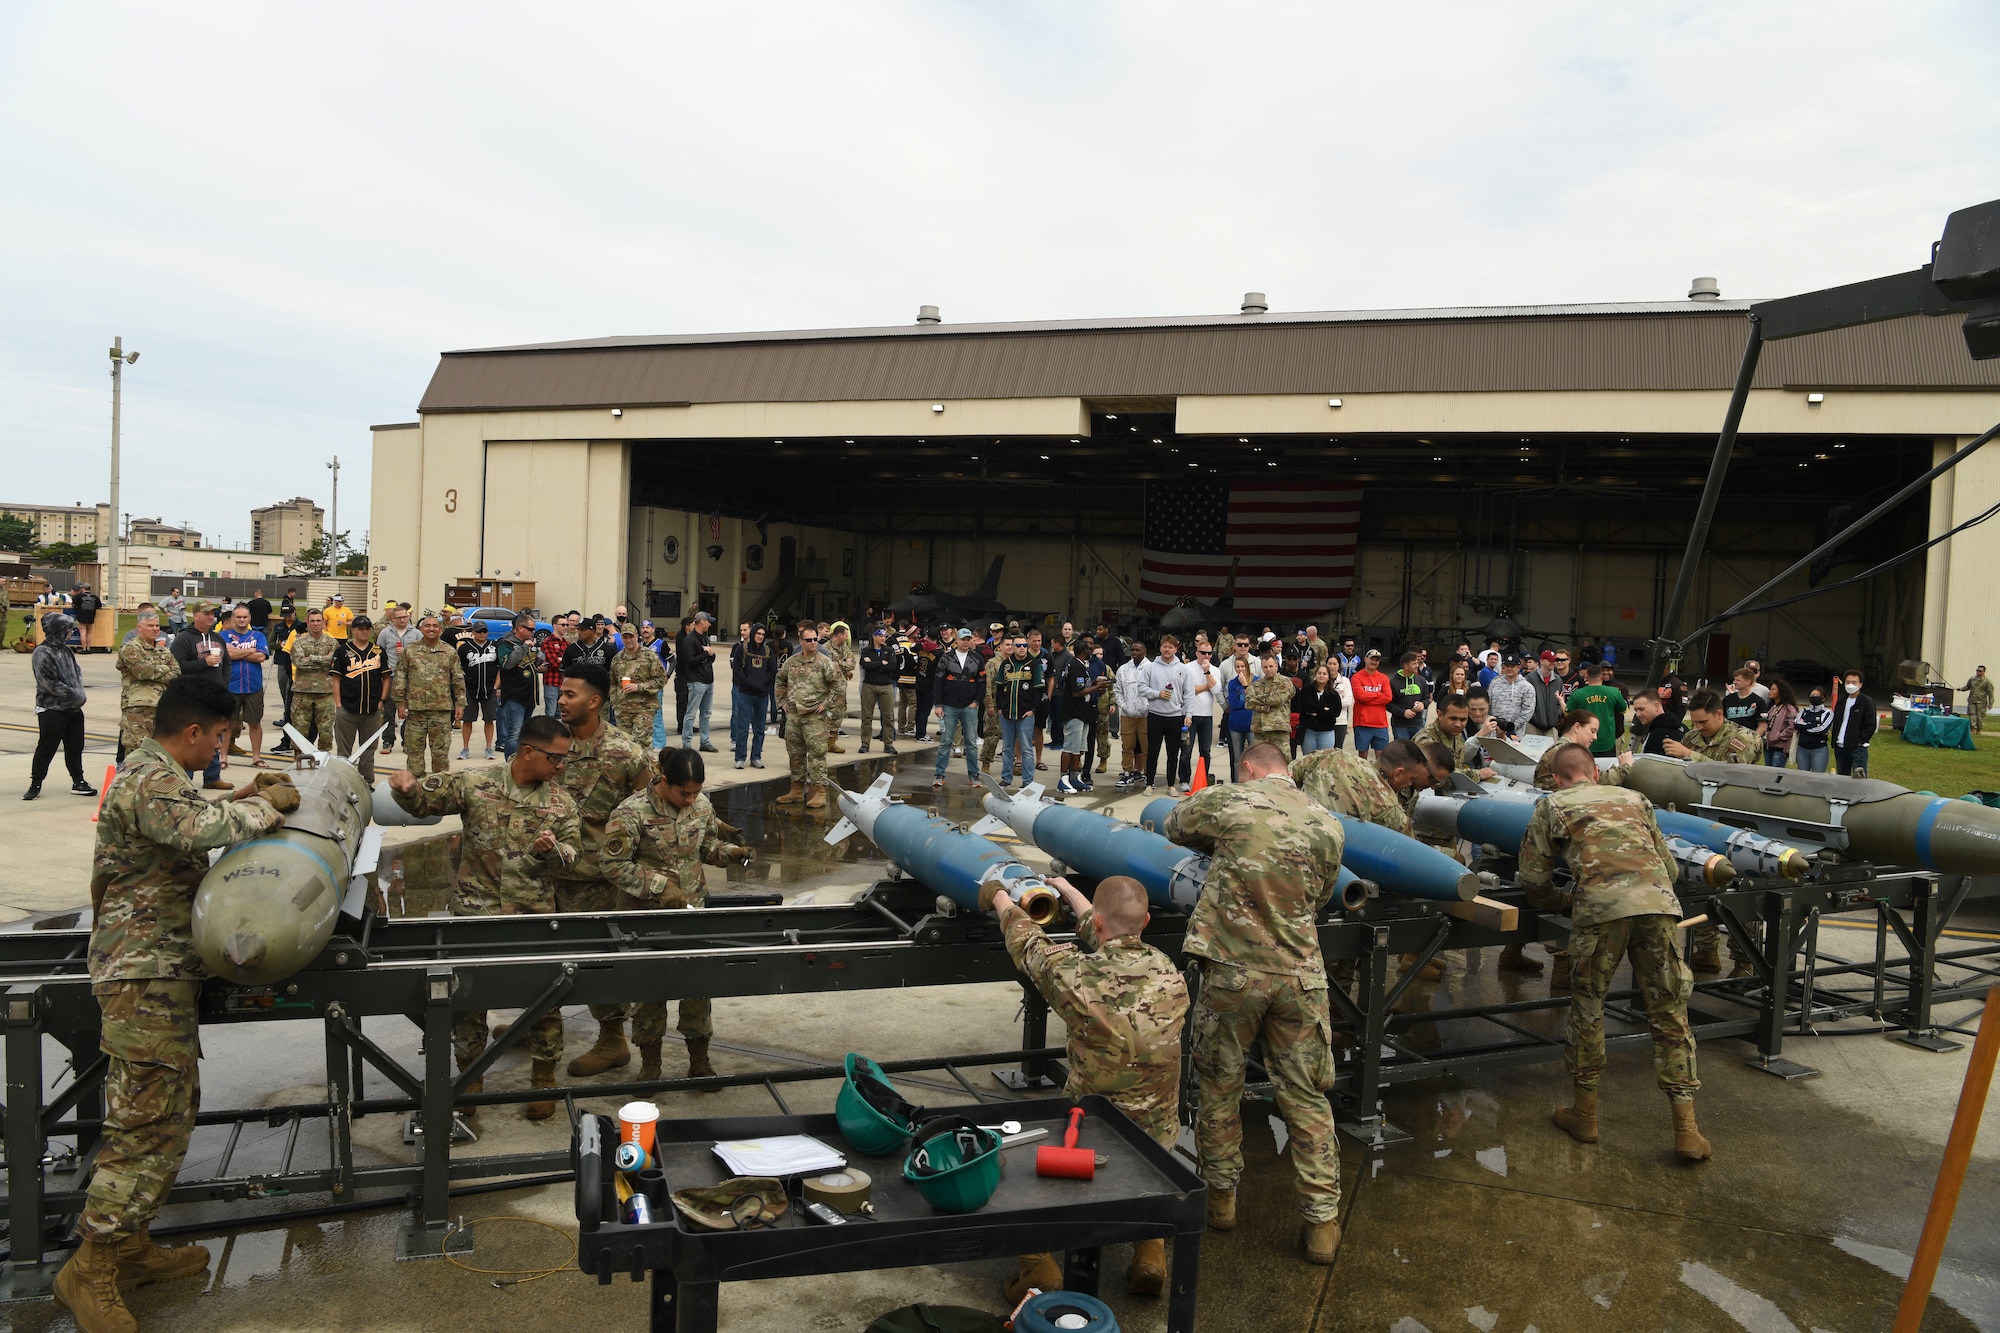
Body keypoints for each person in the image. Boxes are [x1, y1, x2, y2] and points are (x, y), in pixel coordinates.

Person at [54, 677, 297, 1327]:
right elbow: (195, 827)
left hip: (162, 972)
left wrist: (244, 794)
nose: (220, 749)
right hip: (142, 974)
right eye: (220, 738)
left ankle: (129, 1245)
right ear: (194, 732)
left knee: (170, 1110)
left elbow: (192, 818)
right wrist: (263, 809)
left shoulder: (159, 774)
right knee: (142, 1125)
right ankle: (91, 1269)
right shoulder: (146, 777)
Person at [1162, 743, 1347, 1265]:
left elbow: (1175, 825)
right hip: (1299, 978)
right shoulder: (1328, 823)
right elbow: (1322, 896)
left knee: (1220, 1085)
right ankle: (1322, 1225)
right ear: (1287, 769)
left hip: (1232, 972)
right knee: (1307, 1097)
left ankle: (1221, 1200)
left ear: (1248, 767)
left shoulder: (1231, 800)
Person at [987, 874, 1188, 1302]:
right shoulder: (1169, 970)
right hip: (1157, 1139)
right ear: (1147, 921)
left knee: (1006, 1159)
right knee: (1147, 1171)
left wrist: (999, 896)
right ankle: (1150, 1249)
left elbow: (1028, 943)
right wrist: (1064, 886)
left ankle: (1038, 1265)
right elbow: (1107, 932)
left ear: (1097, 923)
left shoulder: (1074, 975)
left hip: (1087, 1138)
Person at [1518, 743, 1710, 1162]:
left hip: (1601, 914)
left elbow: (1533, 877)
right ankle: (1687, 1131)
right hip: (1657, 908)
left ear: (1557, 777)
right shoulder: (1635, 799)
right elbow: (1671, 868)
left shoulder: (1553, 805)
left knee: (1589, 1010)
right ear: (1594, 771)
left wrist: (1561, 901)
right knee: (1670, 1013)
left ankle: (1585, 1116)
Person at [389, 715, 579, 1120]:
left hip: (533, 918)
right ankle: (469, 1080)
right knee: (467, 1003)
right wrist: (407, 791)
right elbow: (428, 802)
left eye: (566, 758)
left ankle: (543, 1080)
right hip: (475, 916)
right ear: (528, 751)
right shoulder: (476, 784)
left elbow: (573, 858)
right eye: (556, 758)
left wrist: (553, 852)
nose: (561, 766)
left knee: (546, 1001)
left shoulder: (561, 804)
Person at [602, 748, 756, 1084]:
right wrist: (659, 888)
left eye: (695, 791)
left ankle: (699, 1061)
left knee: (698, 990)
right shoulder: (631, 812)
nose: (690, 799)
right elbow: (613, 865)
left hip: (691, 915)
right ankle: (651, 1066)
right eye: (682, 792)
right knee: (649, 994)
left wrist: (732, 854)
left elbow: (707, 848)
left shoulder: (701, 806)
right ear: (664, 780)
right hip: (646, 920)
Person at [548, 664, 657, 1077]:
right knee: (539, 956)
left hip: (595, 880)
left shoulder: (624, 752)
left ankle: (613, 1039)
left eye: (570, 694)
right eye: (560, 692)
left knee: (597, 960)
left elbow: (650, 813)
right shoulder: (549, 742)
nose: (561, 699)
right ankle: (542, 1024)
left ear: (594, 701)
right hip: (544, 874)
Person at [775, 623, 848, 808]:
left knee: (817, 756)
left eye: (815, 639)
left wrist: (826, 704)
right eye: (809, 640)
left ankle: (819, 792)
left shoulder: (824, 662)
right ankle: (797, 790)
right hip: (794, 717)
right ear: (801, 641)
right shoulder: (792, 662)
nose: (814, 642)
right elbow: (779, 680)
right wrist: (782, 702)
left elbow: (838, 685)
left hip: (814, 718)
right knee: (795, 754)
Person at [26, 613, 95, 800]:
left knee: (75, 746)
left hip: (73, 708)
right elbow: (49, 682)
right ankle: (36, 783)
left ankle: (78, 781)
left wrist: (79, 693)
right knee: (46, 747)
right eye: (68, 629)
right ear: (58, 631)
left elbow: (77, 673)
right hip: (52, 709)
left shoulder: (66, 651)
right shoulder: (42, 652)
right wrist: (74, 694)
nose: (70, 632)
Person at [392, 614, 466, 779]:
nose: (431, 629)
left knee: (440, 758)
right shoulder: (410, 651)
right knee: (414, 757)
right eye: (427, 626)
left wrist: (460, 704)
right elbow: (400, 677)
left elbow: (458, 679)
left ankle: (438, 795)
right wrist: (400, 703)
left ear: (440, 629)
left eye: (435, 626)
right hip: (415, 711)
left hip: (441, 712)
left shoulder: (449, 651)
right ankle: (416, 796)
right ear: (421, 629)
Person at [170, 603, 234, 792]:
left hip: (214, 697)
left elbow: (227, 663)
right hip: (192, 697)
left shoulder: (217, 638)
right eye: (206, 613)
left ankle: (212, 777)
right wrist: (203, 663)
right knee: (191, 737)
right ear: (195, 615)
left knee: (215, 737)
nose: (210, 617)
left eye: (213, 614)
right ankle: (185, 778)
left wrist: (223, 682)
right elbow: (176, 665)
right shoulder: (184, 638)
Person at [114, 610, 179, 767]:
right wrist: (164, 668)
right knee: (136, 753)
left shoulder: (163, 650)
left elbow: (177, 674)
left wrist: (154, 669)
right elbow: (142, 671)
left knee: (160, 751)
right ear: (139, 627)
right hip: (138, 709)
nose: (155, 629)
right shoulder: (131, 648)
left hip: (162, 707)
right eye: (150, 625)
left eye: (157, 625)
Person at [330, 616, 390, 783]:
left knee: (368, 750)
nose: (364, 631)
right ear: (353, 630)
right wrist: (338, 705)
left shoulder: (378, 651)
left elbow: (386, 677)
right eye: (360, 628)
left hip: (372, 709)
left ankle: (367, 782)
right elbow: (336, 679)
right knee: (344, 751)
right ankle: (343, 782)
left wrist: (381, 701)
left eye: (367, 628)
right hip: (347, 708)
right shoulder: (342, 651)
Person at [931, 628, 985, 789]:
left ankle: (974, 775)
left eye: (969, 639)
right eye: (963, 639)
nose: (966, 642)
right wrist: (938, 704)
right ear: (957, 640)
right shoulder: (946, 658)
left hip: (969, 707)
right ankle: (939, 774)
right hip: (949, 706)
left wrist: (976, 702)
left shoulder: (977, 659)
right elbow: (938, 681)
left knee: (971, 743)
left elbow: (982, 682)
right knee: (946, 741)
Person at [988, 633, 1043, 788]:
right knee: (1007, 748)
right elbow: (998, 687)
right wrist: (999, 707)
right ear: (1012, 647)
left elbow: (1039, 690)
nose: (1021, 648)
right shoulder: (1005, 665)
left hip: (1025, 714)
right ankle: (1006, 778)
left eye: (1024, 645)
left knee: (1026, 748)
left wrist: (1033, 709)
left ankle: (1028, 781)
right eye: (1018, 645)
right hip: (1006, 714)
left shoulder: (1034, 664)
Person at [219, 604, 271, 768]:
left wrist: (235, 652)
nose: (242, 620)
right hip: (230, 685)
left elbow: (261, 657)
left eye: (245, 617)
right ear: (232, 619)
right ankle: (223, 757)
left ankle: (256, 757)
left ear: (249, 618)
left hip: (253, 685)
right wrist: (250, 651)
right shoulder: (223, 636)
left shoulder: (258, 636)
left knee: (255, 722)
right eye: (238, 617)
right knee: (227, 723)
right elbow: (226, 655)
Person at [286, 608, 341, 757]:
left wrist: (310, 658)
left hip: (325, 693)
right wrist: (323, 659)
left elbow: (335, 663)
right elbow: (299, 663)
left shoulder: (332, 642)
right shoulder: (299, 642)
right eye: (312, 621)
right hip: (302, 693)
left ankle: (323, 761)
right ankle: (298, 761)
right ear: (307, 623)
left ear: (323, 622)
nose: (316, 624)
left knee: (326, 731)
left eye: (318, 621)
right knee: (299, 730)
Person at [1143, 635, 1194, 792]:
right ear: (1160, 648)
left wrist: (1189, 714)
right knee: (1152, 751)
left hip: (1175, 716)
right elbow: (1141, 687)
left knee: (1173, 753)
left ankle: (1171, 785)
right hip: (1155, 715)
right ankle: (1149, 784)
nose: (1167, 650)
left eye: (1171, 647)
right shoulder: (1150, 667)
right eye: (1165, 646)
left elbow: (1189, 693)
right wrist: (1157, 694)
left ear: (1176, 650)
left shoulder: (1183, 669)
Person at [609, 622, 670, 742]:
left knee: (640, 745)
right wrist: (615, 703)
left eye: (631, 636)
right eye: (625, 637)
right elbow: (613, 683)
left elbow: (661, 679)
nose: (628, 640)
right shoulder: (617, 659)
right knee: (625, 747)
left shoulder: (649, 656)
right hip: (623, 710)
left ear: (637, 636)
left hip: (644, 709)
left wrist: (639, 687)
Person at [376, 605, 423, 754]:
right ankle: (387, 741)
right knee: (389, 712)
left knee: (408, 712)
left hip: (409, 678)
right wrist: (385, 666)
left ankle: (406, 741)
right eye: (399, 617)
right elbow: (378, 653)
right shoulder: (385, 633)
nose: (403, 619)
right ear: (393, 619)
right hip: (390, 677)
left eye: (405, 616)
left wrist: (407, 652)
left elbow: (422, 653)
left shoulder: (416, 634)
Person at [495, 613, 543, 759]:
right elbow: (507, 664)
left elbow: (530, 664)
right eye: (530, 629)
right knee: (514, 735)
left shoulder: (529, 644)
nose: (532, 632)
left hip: (530, 696)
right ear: (520, 628)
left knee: (525, 735)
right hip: (515, 696)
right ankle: (510, 766)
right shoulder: (506, 644)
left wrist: (540, 665)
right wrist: (523, 648)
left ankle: (521, 763)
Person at [729, 623, 775, 770]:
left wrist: (763, 683)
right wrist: (747, 682)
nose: (760, 636)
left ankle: (756, 757)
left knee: (759, 728)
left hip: (762, 694)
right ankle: (740, 757)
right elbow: (737, 669)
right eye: (758, 633)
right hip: (745, 693)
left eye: (763, 634)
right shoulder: (742, 649)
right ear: (753, 633)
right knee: (742, 727)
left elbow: (772, 670)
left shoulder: (768, 651)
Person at [1565, 662, 1628, 756]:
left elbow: (1568, 714)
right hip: (1608, 742)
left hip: (1585, 741)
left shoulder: (1578, 694)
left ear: (1586, 677)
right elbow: (1624, 709)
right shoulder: (1614, 692)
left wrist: (1562, 703)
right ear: (1601, 677)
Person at [1114, 637, 1152, 788]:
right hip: (1127, 715)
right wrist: (1124, 706)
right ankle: (1128, 773)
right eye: (1133, 650)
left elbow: (1154, 690)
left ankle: (1149, 775)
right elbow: (1117, 690)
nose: (1134, 653)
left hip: (1146, 715)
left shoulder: (1151, 668)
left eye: (1138, 650)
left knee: (1147, 747)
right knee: (1127, 746)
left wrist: (1147, 706)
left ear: (1144, 652)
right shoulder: (1123, 669)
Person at [857, 626, 898, 754]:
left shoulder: (889, 650)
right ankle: (865, 743)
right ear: (874, 636)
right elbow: (865, 665)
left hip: (886, 685)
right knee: (867, 716)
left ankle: (888, 743)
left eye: (884, 636)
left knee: (888, 716)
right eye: (880, 636)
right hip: (869, 685)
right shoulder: (866, 650)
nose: (883, 638)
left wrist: (874, 663)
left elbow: (892, 666)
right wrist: (881, 663)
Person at [1831, 670, 1877, 777]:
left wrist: (1860, 740)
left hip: (1857, 749)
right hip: (1840, 747)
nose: (1850, 685)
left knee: (1859, 779)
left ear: (1860, 684)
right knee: (1842, 777)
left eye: (1854, 682)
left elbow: (1870, 725)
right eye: (1848, 682)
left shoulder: (1866, 702)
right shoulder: (1841, 702)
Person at [1294, 661, 1344, 753]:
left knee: (1324, 761)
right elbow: (1304, 706)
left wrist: (1316, 713)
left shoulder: (1333, 694)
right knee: (1308, 760)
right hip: (1309, 731)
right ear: (1315, 675)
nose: (1321, 676)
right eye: (1319, 673)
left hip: (1327, 731)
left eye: (1324, 674)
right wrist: (1323, 710)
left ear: (1328, 677)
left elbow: (1336, 712)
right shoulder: (1306, 690)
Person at [1349, 648, 1393, 753]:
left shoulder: (1383, 678)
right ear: (1365, 659)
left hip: (1380, 723)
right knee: (1363, 755)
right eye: (1371, 659)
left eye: (1376, 660)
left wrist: (1368, 698)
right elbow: (1360, 696)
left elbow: (1388, 697)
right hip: (1362, 722)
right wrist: (1378, 694)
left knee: (1381, 755)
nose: (1374, 662)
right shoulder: (1356, 677)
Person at [1487, 654, 1537, 738]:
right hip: (1494, 731)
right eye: (1507, 666)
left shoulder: (1527, 687)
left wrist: (1513, 726)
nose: (1509, 668)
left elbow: (1528, 710)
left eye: (1512, 666)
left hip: (1516, 733)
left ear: (1518, 667)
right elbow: (1488, 704)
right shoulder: (1494, 683)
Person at [1628, 688, 1685, 756]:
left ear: (1656, 706)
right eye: (1636, 710)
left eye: (1641, 709)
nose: (1638, 714)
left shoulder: (1657, 735)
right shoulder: (1682, 727)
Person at [1719, 669, 1770, 744]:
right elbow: (1721, 720)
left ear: (1748, 682)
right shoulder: (1728, 699)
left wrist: (1752, 741)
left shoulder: (1759, 701)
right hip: (1728, 741)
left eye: (1738, 680)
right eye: (1734, 680)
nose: (1734, 682)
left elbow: (1762, 725)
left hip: (1748, 742)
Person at [1389, 651, 1428, 741]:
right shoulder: (1393, 682)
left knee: (1418, 752)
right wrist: (1403, 712)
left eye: (1417, 663)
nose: (1417, 666)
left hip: (1418, 724)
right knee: (1403, 752)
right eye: (1414, 664)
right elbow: (1388, 704)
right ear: (1406, 666)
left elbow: (1427, 698)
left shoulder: (1421, 680)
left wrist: (1423, 704)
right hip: (1400, 726)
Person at [1762, 680, 1800, 768]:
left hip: (1780, 747)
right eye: (1770, 689)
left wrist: (1779, 736)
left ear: (1781, 691)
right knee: (1767, 770)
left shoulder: (1789, 708)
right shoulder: (1771, 707)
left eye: (1773, 689)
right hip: (1768, 745)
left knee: (1776, 771)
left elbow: (1792, 726)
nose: (1770, 691)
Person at [1794, 688, 1833, 771]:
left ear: (1823, 698)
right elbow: (1796, 724)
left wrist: (1804, 726)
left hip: (1819, 750)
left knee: (1817, 777)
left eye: (1817, 696)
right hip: (1802, 749)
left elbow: (1822, 729)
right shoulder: (1804, 711)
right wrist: (1812, 725)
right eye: (1812, 695)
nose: (1814, 697)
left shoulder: (1827, 713)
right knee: (1802, 776)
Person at [1965, 665, 1994, 735]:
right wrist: (1961, 689)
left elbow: (1990, 693)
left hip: (1982, 702)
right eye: (1977, 670)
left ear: (1983, 672)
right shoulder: (1972, 679)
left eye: (1980, 671)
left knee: (1980, 717)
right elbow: (1968, 686)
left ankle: (1979, 729)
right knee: (1972, 715)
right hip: (1972, 700)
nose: (1978, 672)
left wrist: (1991, 703)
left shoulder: (1987, 681)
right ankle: (1973, 729)